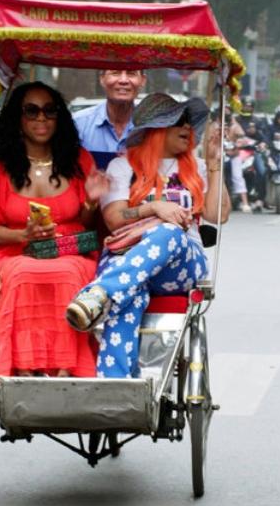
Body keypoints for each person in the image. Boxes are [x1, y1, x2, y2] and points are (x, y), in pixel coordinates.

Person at [65, 94, 231, 378]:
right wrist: (153, 208)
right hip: (130, 258)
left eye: (190, 122)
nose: (188, 128)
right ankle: (116, 386)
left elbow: (219, 215)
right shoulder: (123, 167)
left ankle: (101, 293)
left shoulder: (199, 167)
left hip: (180, 265)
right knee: (128, 298)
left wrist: (215, 164)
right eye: (179, 122)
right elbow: (115, 219)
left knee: (169, 232)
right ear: (156, 129)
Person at [0, 81, 109, 378]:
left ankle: (66, 368)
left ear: (59, 117)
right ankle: (23, 368)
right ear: (18, 118)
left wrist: (91, 200)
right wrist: (23, 235)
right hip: (14, 253)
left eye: (50, 111)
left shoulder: (77, 160)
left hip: (70, 251)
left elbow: (86, 223)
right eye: (31, 111)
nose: (41, 119)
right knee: (23, 273)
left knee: (68, 273)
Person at [72, 69, 147, 169]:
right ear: (102, 79)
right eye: (115, 73)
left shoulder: (152, 127)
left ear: (142, 80)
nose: (123, 80)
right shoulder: (78, 124)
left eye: (131, 73)